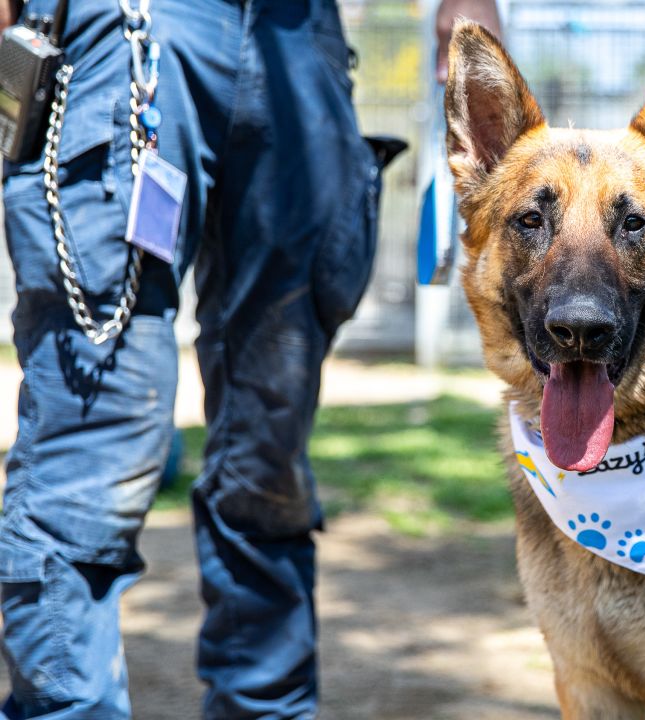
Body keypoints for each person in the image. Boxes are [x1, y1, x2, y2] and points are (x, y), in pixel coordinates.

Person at [0, 0, 392, 716]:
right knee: (93, 435)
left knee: (268, 449)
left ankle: (264, 705)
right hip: (126, 21)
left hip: (299, 33)